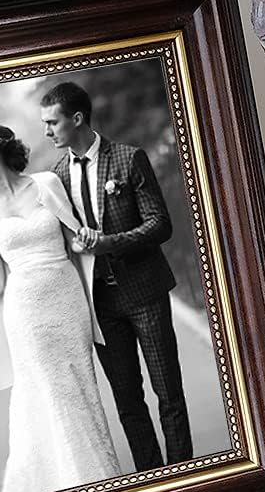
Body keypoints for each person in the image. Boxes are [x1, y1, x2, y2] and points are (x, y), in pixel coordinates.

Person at [0, 125, 121, 492]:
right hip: (25, 315)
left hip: (68, 304)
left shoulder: (46, 185)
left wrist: (87, 240)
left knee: (79, 389)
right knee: (47, 390)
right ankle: (72, 485)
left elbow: (74, 241)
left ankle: (96, 478)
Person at [40, 82, 193, 471]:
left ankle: (184, 476)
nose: (47, 131)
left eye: (52, 122)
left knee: (168, 393)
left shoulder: (128, 159)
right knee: (128, 402)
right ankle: (152, 478)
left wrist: (109, 242)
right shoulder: (56, 177)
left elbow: (160, 224)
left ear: (77, 119)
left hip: (146, 293)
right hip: (102, 306)